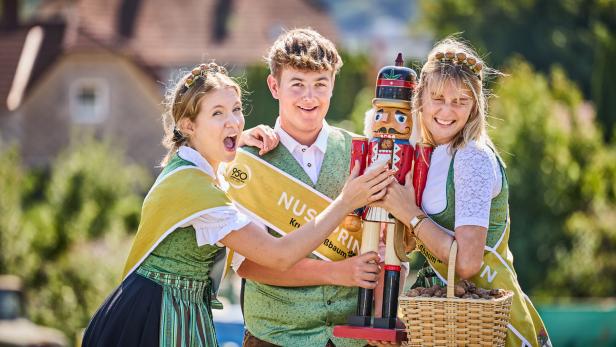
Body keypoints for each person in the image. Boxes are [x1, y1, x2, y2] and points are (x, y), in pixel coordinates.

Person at [81, 62, 393, 347]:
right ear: (188, 125)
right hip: (154, 318)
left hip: (180, 310)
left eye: (236, 109)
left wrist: (235, 139)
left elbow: (218, 164)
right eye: (217, 113)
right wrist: (346, 201)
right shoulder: (195, 190)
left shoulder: (196, 169)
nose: (233, 121)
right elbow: (278, 255)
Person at [374, 38, 552, 347]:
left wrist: (410, 215)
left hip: (488, 327)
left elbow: (468, 263)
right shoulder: (433, 153)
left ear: (475, 107)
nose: (447, 110)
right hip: (448, 320)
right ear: (420, 99)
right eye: (438, 98)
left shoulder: (472, 157)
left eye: (460, 100)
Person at [228, 28, 381, 347]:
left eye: (320, 84)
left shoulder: (361, 153)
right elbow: (249, 264)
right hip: (275, 338)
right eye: (297, 85)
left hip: (350, 338)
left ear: (333, 85)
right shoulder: (249, 162)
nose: (309, 97)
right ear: (274, 86)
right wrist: (338, 273)